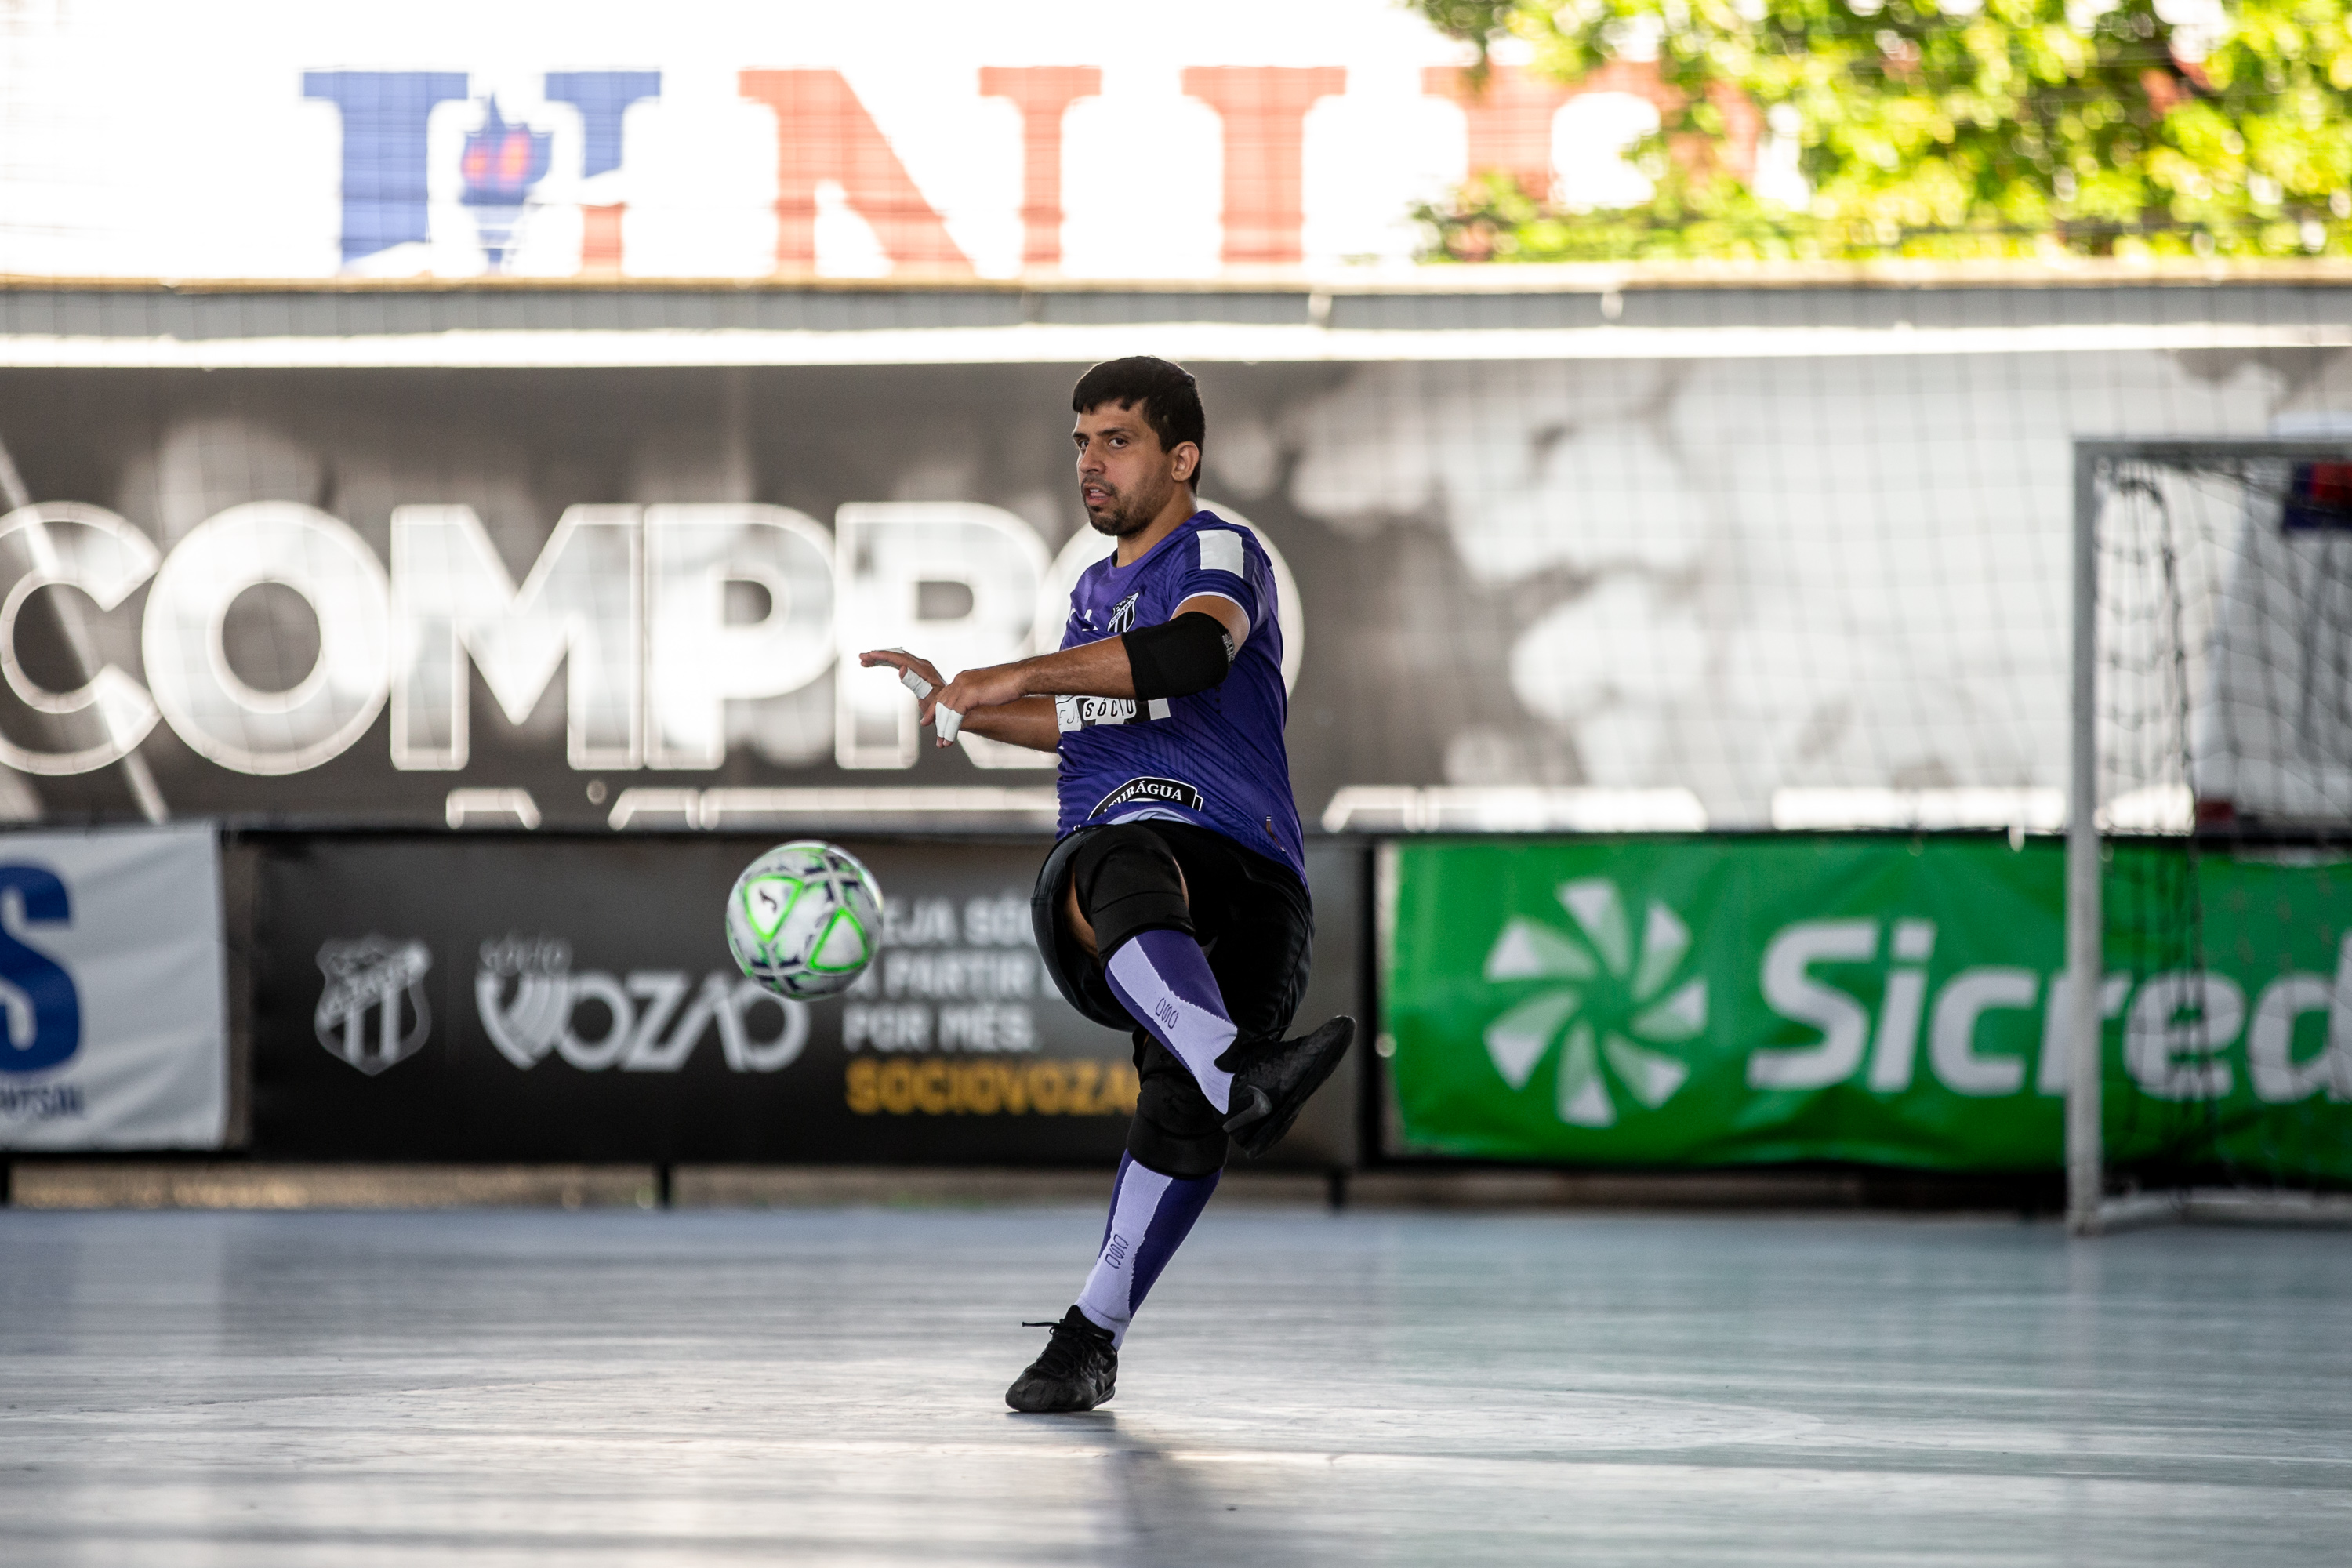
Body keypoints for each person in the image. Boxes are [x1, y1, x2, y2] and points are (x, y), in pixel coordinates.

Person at [860, 355, 1352, 1415]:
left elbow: (1189, 658)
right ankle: (1240, 1073)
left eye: (1116, 440)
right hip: (1139, 865)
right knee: (1109, 855)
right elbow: (1096, 716)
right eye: (1081, 439)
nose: (1090, 461)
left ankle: (1094, 1337)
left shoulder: (1215, 548)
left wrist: (1021, 672)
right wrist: (970, 707)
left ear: (1183, 458)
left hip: (1251, 871)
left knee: (1185, 1113)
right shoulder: (1093, 596)